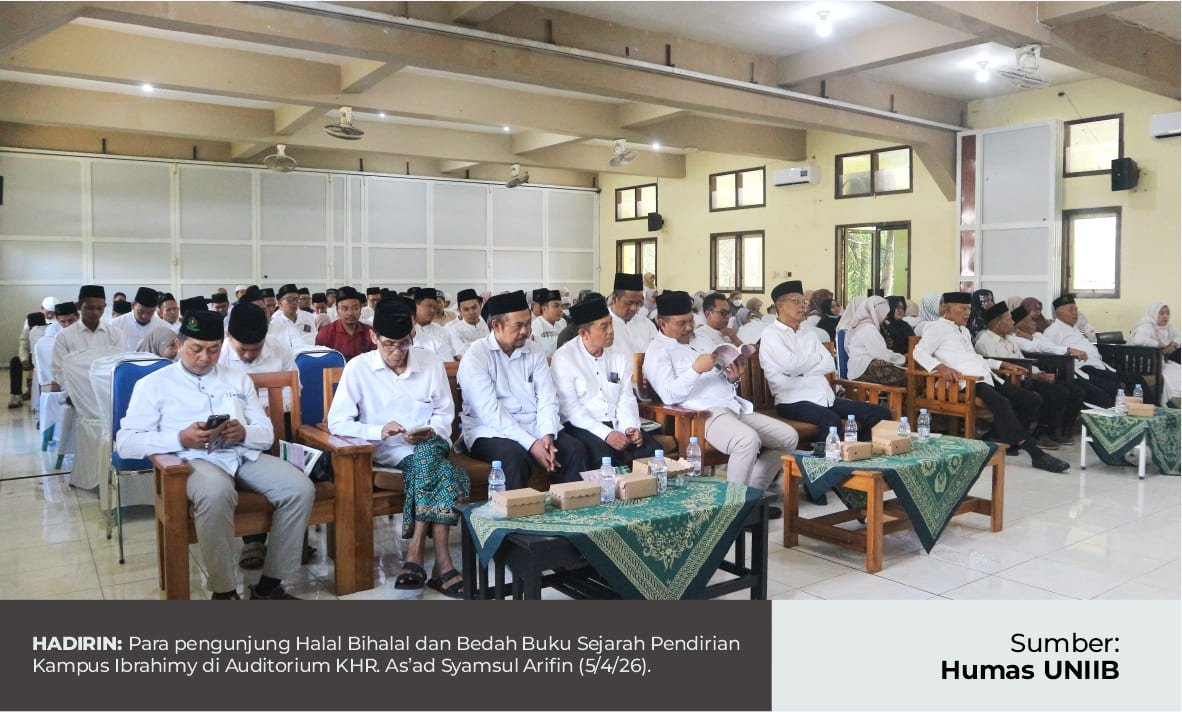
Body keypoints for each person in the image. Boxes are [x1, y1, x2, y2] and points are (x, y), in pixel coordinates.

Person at [116, 309, 314, 599]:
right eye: (196, 349)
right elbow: (126, 442)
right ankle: (224, 591)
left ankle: (270, 585)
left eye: (213, 350)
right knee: (216, 492)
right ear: (180, 344)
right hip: (192, 460)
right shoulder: (153, 384)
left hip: (242, 456)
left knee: (299, 488)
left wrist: (244, 432)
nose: (205, 358)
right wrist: (179, 438)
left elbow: (266, 431)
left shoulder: (237, 379)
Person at [327, 298, 469, 597]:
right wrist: (377, 430)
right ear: (373, 337)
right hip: (386, 450)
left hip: (429, 444)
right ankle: (440, 563)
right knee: (442, 470)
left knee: (430, 457)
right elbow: (337, 422)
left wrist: (433, 430)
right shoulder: (358, 368)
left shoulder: (428, 361)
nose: (396, 352)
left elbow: (444, 412)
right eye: (388, 344)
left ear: (412, 337)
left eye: (403, 344)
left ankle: (416, 555)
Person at [644, 291, 797, 504]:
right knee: (746, 441)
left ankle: (751, 497)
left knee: (788, 437)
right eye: (681, 324)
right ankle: (732, 507)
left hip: (732, 406)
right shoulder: (657, 351)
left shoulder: (704, 339)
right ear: (662, 323)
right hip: (700, 414)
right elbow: (669, 396)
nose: (689, 328)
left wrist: (733, 377)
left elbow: (720, 378)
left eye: (690, 321)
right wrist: (695, 370)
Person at [913, 292, 1069, 473]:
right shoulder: (935, 327)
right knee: (1001, 403)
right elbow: (919, 352)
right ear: (946, 309)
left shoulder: (963, 330)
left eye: (969, 309)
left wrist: (1000, 363)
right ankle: (1036, 454)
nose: (967, 313)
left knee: (1031, 399)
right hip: (965, 381)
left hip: (986, 376)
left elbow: (973, 357)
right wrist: (940, 367)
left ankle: (1003, 439)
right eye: (963, 308)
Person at [457, 291, 587, 490]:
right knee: (514, 458)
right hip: (489, 430)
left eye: (528, 323)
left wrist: (547, 435)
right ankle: (516, 520)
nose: (526, 331)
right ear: (496, 326)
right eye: (518, 326)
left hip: (534, 425)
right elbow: (490, 413)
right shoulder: (476, 355)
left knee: (574, 449)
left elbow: (547, 398)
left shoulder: (533, 350)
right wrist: (532, 444)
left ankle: (569, 515)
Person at [760, 281, 891, 439]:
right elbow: (791, 366)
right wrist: (813, 361)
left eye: (804, 301)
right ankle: (820, 461)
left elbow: (829, 364)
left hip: (825, 398)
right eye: (796, 301)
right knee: (831, 422)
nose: (803, 306)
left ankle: (858, 453)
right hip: (792, 400)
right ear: (780, 306)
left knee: (881, 414)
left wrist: (802, 370)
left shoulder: (807, 333)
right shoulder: (771, 334)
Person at [551, 296, 660, 468]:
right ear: (583, 334)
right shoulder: (565, 357)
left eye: (611, 323)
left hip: (616, 421)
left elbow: (626, 397)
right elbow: (570, 409)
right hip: (582, 426)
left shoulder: (618, 354)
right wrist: (606, 434)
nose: (611, 330)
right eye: (604, 326)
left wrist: (629, 427)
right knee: (606, 458)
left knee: (652, 450)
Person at [975, 303, 1081, 446]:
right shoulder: (985, 342)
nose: (1013, 323)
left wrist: (1039, 374)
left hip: (1025, 377)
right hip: (1008, 381)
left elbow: (1022, 361)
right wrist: (1032, 375)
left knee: (1071, 389)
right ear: (997, 323)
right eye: (1009, 320)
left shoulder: (1009, 340)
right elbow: (995, 368)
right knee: (1055, 392)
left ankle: (1054, 430)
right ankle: (1038, 433)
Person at [1043, 296, 1139, 407]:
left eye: (1076, 309)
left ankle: (1145, 409)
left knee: (1132, 380)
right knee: (1111, 388)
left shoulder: (1073, 328)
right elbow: (1048, 350)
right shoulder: (1053, 330)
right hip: (1080, 368)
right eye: (1070, 310)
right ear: (1058, 314)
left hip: (1095, 365)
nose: (1075, 313)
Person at [52, 285, 126, 385]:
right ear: (78, 306)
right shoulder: (64, 337)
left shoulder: (116, 334)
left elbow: (121, 367)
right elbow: (58, 372)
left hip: (107, 394)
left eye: (100, 308)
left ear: (105, 306)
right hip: (76, 395)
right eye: (89, 308)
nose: (95, 313)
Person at [844, 296, 907, 386]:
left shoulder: (859, 325)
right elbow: (881, 353)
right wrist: (902, 359)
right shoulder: (868, 328)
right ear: (877, 311)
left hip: (858, 369)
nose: (885, 317)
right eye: (884, 313)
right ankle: (899, 400)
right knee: (909, 377)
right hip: (864, 370)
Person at [1128, 302, 1181, 405]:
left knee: (1178, 370)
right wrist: (1160, 346)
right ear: (1153, 313)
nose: (1165, 316)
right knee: (1170, 374)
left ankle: (1177, 400)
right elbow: (1139, 340)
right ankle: (1169, 402)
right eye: (1161, 313)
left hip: (1158, 361)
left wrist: (1174, 344)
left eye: (1167, 313)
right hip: (1143, 363)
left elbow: (1179, 336)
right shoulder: (1147, 326)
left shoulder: (1168, 327)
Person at [314, 286, 374, 361]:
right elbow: (320, 362)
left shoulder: (370, 332)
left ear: (360, 309)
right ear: (337, 310)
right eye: (345, 309)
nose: (350, 313)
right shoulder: (325, 333)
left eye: (355, 308)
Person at [608, 273, 658, 353]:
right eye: (629, 303)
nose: (634, 308)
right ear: (614, 299)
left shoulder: (647, 325)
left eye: (638, 303)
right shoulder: (602, 326)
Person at [409, 288, 455, 361]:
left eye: (435, 307)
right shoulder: (408, 329)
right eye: (429, 306)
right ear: (416, 306)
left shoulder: (441, 331)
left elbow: (447, 358)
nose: (433, 310)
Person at [444, 288, 489, 359]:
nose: (471, 312)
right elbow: (462, 353)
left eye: (474, 307)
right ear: (459, 310)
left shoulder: (489, 323)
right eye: (466, 309)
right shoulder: (451, 328)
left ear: (480, 305)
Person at [270, 283, 318, 348]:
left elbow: (316, 341)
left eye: (296, 299)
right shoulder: (274, 325)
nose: (294, 303)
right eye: (289, 299)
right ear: (279, 303)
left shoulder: (309, 319)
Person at [530, 289, 567, 358]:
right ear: (544, 309)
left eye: (561, 306)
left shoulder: (563, 322)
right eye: (556, 306)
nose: (561, 310)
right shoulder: (535, 325)